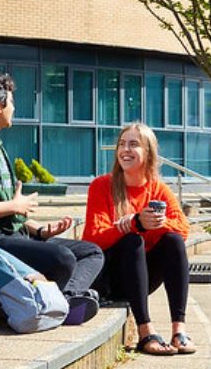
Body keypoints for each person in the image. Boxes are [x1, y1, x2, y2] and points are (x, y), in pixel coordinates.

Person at [0, 71, 103, 301]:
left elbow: (9, 211)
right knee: (63, 259)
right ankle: (66, 301)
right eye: (12, 102)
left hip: (7, 235)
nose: (14, 108)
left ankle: (67, 298)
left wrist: (41, 230)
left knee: (92, 252)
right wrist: (14, 205)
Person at [82, 122, 194, 356]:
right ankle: (146, 333)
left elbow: (183, 229)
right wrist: (134, 225)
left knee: (172, 241)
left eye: (133, 144)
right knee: (132, 240)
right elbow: (92, 239)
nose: (125, 150)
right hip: (111, 277)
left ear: (148, 152)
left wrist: (154, 224)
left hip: (142, 277)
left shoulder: (158, 189)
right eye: (122, 144)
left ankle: (178, 331)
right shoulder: (102, 186)